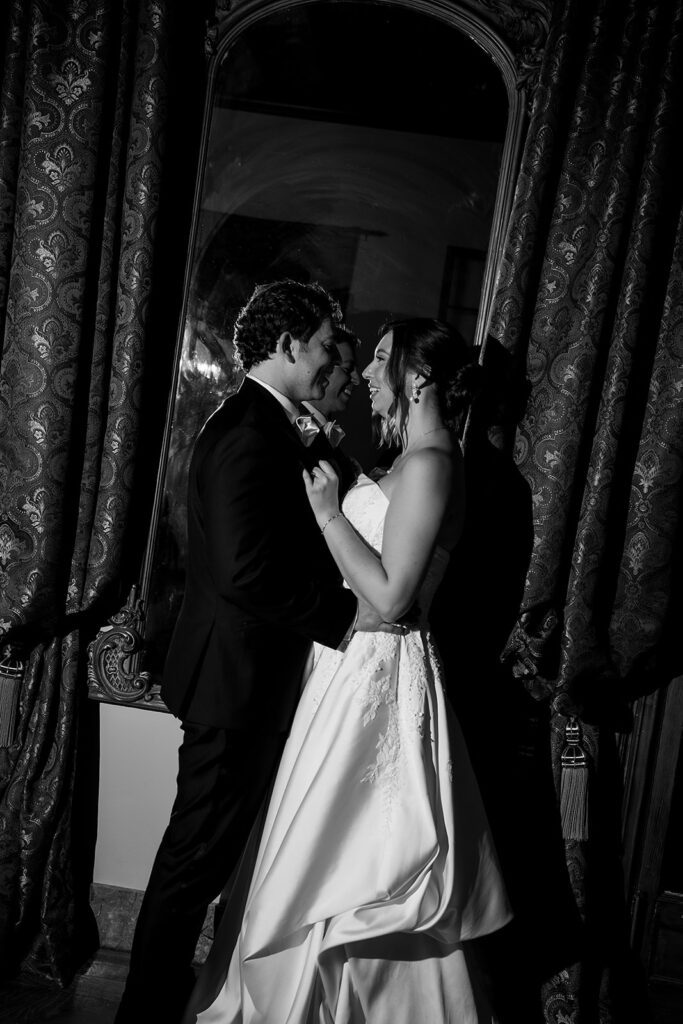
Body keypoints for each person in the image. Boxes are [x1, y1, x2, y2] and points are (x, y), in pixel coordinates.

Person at [183, 318, 513, 1024]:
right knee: (307, 840)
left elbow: (392, 596)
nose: (364, 373)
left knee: (350, 854)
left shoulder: (432, 463)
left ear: (418, 378)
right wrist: (337, 467)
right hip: (342, 668)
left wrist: (331, 513)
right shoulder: (408, 461)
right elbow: (382, 530)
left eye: (383, 361)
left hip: (380, 672)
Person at [115, 280, 388, 1024]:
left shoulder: (269, 425)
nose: (341, 354)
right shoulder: (246, 432)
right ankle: (143, 1009)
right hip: (232, 683)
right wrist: (349, 614)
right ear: (291, 345)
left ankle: (165, 994)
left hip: (247, 679)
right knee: (193, 858)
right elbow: (244, 572)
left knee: (210, 852)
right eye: (329, 341)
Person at [299, 324, 363, 497]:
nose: (356, 380)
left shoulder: (319, 428)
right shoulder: (301, 424)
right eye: (348, 369)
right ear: (325, 368)